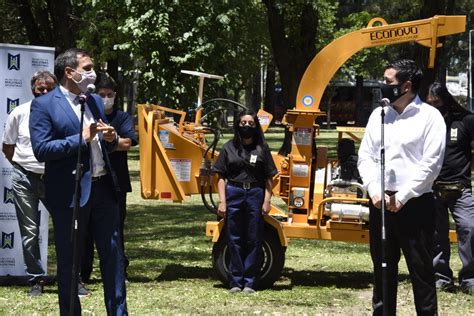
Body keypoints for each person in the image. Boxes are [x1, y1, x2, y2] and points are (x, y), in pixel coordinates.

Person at [29, 48, 127, 315]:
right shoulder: (44, 104)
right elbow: (42, 149)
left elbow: (104, 142)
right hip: (70, 194)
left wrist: (110, 139)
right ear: (69, 72)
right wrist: (80, 138)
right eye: (87, 68)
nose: (93, 73)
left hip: (104, 189)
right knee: (70, 263)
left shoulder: (94, 101)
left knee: (113, 258)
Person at [357, 59, 446, 314]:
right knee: (383, 271)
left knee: (421, 272)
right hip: (381, 203)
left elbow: (431, 164)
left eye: (388, 82)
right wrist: (374, 190)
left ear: (406, 86)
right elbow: (366, 157)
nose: (382, 86)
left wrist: (403, 196)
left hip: (415, 204)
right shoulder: (379, 115)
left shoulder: (430, 117)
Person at [2, 70, 57, 297]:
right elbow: (8, 146)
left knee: (67, 228)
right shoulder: (20, 112)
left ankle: (73, 279)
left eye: (48, 88)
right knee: (30, 232)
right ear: (32, 89)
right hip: (24, 178)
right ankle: (36, 279)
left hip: (55, 177)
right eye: (40, 88)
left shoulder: (62, 113)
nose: (44, 92)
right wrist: (23, 165)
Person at [213, 109, 278, 294]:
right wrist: (222, 202)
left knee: (254, 238)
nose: (247, 126)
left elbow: (269, 178)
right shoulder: (228, 148)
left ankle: (249, 283)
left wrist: (266, 201)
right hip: (234, 192)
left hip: (255, 194)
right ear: (237, 125)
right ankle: (235, 282)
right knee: (234, 238)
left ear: (256, 126)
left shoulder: (261, 148)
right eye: (243, 123)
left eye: (251, 123)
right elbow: (219, 177)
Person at [80, 73, 137, 283]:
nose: (105, 98)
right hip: (89, 179)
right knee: (85, 230)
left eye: (109, 94)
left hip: (116, 182)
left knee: (115, 229)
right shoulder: (87, 114)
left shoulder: (122, 118)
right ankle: (83, 273)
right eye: (101, 94)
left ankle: (119, 271)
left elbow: (128, 143)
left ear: (115, 95)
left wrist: (106, 139)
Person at [427, 82, 474, 295]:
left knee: (469, 228)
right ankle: (441, 277)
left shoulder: (466, 121)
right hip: (433, 188)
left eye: (437, 103)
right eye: (430, 104)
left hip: (461, 188)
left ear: (446, 100)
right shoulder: (426, 123)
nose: (434, 107)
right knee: (437, 234)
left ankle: (469, 278)